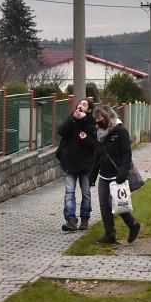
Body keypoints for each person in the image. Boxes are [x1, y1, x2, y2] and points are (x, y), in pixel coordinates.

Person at [90, 105, 142, 245]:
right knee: (103, 204)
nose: (98, 120)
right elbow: (98, 154)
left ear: (107, 116)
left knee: (116, 204)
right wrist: (93, 174)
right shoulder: (98, 133)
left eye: (101, 117)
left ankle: (133, 225)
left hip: (117, 174)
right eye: (96, 118)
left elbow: (127, 154)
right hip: (104, 175)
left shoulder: (120, 131)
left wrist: (123, 172)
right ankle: (110, 234)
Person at [56, 97, 96, 232]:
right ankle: (71, 219)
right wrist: (73, 119)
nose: (80, 106)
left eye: (84, 104)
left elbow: (96, 144)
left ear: (89, 109)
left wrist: (86, 138)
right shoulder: (71, 119)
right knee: (69, 191)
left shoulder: (91, 123)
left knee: (86, 193)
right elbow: (61, 131)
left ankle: (85, 218)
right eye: (79, 103)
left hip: (86, 164)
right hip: (70, 163)